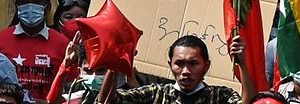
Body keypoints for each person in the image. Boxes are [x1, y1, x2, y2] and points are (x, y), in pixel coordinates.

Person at [106, 36, 250, 104]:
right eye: (179, 64)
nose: (186, 71)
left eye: (193, 64)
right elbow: (108, 100)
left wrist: (242, 63)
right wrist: (113, 66)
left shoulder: (220, 96)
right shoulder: (157, 94)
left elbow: (247, 102)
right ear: (170, 65)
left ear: (206, 66)